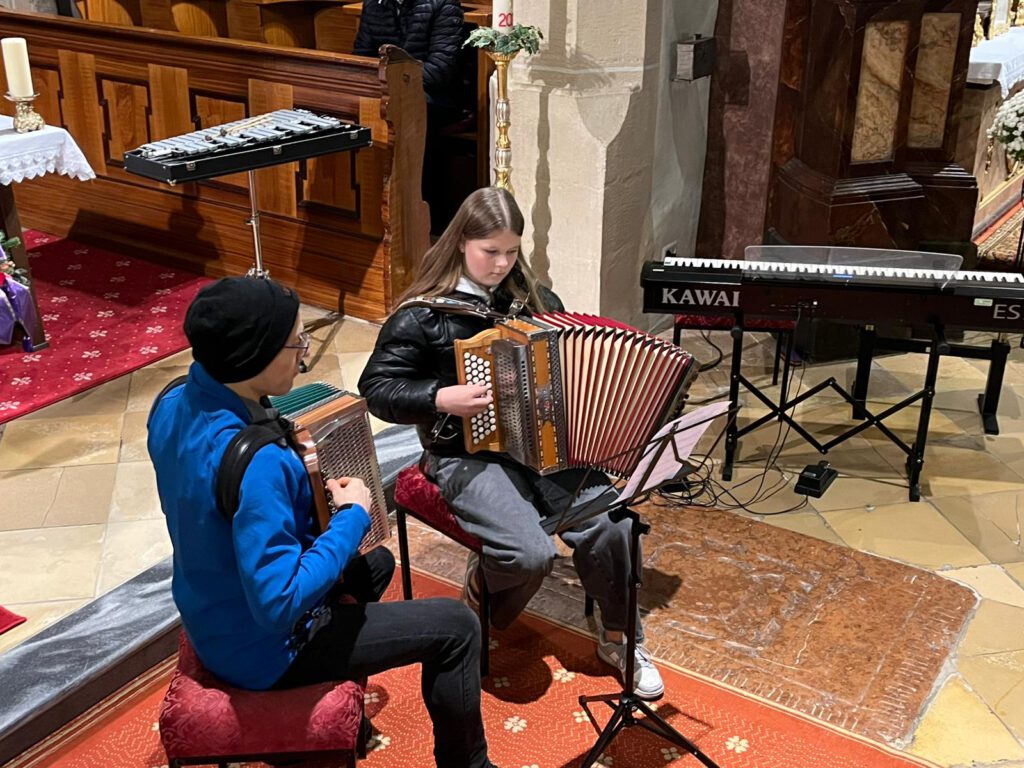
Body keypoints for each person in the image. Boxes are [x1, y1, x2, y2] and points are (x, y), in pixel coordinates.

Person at [148, 277, 499, 768]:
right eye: (296, 342)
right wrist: (352, 516)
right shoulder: (260, 463)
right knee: (457, 626)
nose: (305, 354)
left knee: (376, 564)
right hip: (263, 650)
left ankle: (345, 721)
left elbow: (209, 510)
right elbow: (278, 604)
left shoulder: (170, 403)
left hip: (209, 611)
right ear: (254, 356)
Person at [358, 187, 666, 700]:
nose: (502, 264)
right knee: (527, 554)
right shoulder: (422, 316)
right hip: (462, 454)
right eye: (490, 252)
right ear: (461, 243)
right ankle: (481, 593)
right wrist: (439, 396)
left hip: (540, 445)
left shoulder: (534, 301)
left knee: (613, 524)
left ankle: (620, 638)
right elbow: (377, 389)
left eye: (511, 251)